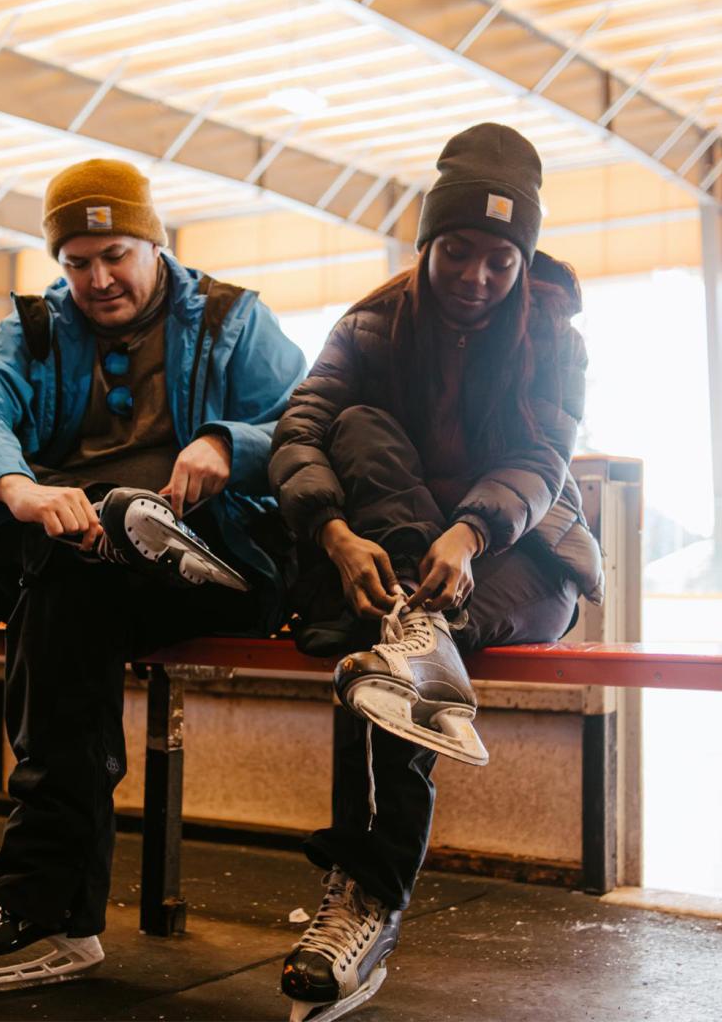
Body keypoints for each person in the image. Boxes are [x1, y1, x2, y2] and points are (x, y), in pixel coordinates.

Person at [0, 157, 306, 993]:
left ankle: (40, 897)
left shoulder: (235, 318)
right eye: (77, 262)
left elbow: (311, 423)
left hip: (220, 555)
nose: (98, 279)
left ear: (153, 245)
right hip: (85, 551)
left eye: (115, 254)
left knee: (64, 583)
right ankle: (106, 539)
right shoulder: (40, 327)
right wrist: (22, 491)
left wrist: (230, 444)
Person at [267, 123, 604, 1022]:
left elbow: (542, 458)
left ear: (522, 260)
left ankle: (365, 899)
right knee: (357, 430)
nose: (477, 279)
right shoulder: (372, 323)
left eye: (500, 261)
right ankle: (364, 885)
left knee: (389, 649)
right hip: (385, 549)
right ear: (427, 244)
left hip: (519, 560)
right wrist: (334, 534)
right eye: (457, 252)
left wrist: (467, 534)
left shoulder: (554, 338)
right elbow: (300, 428)